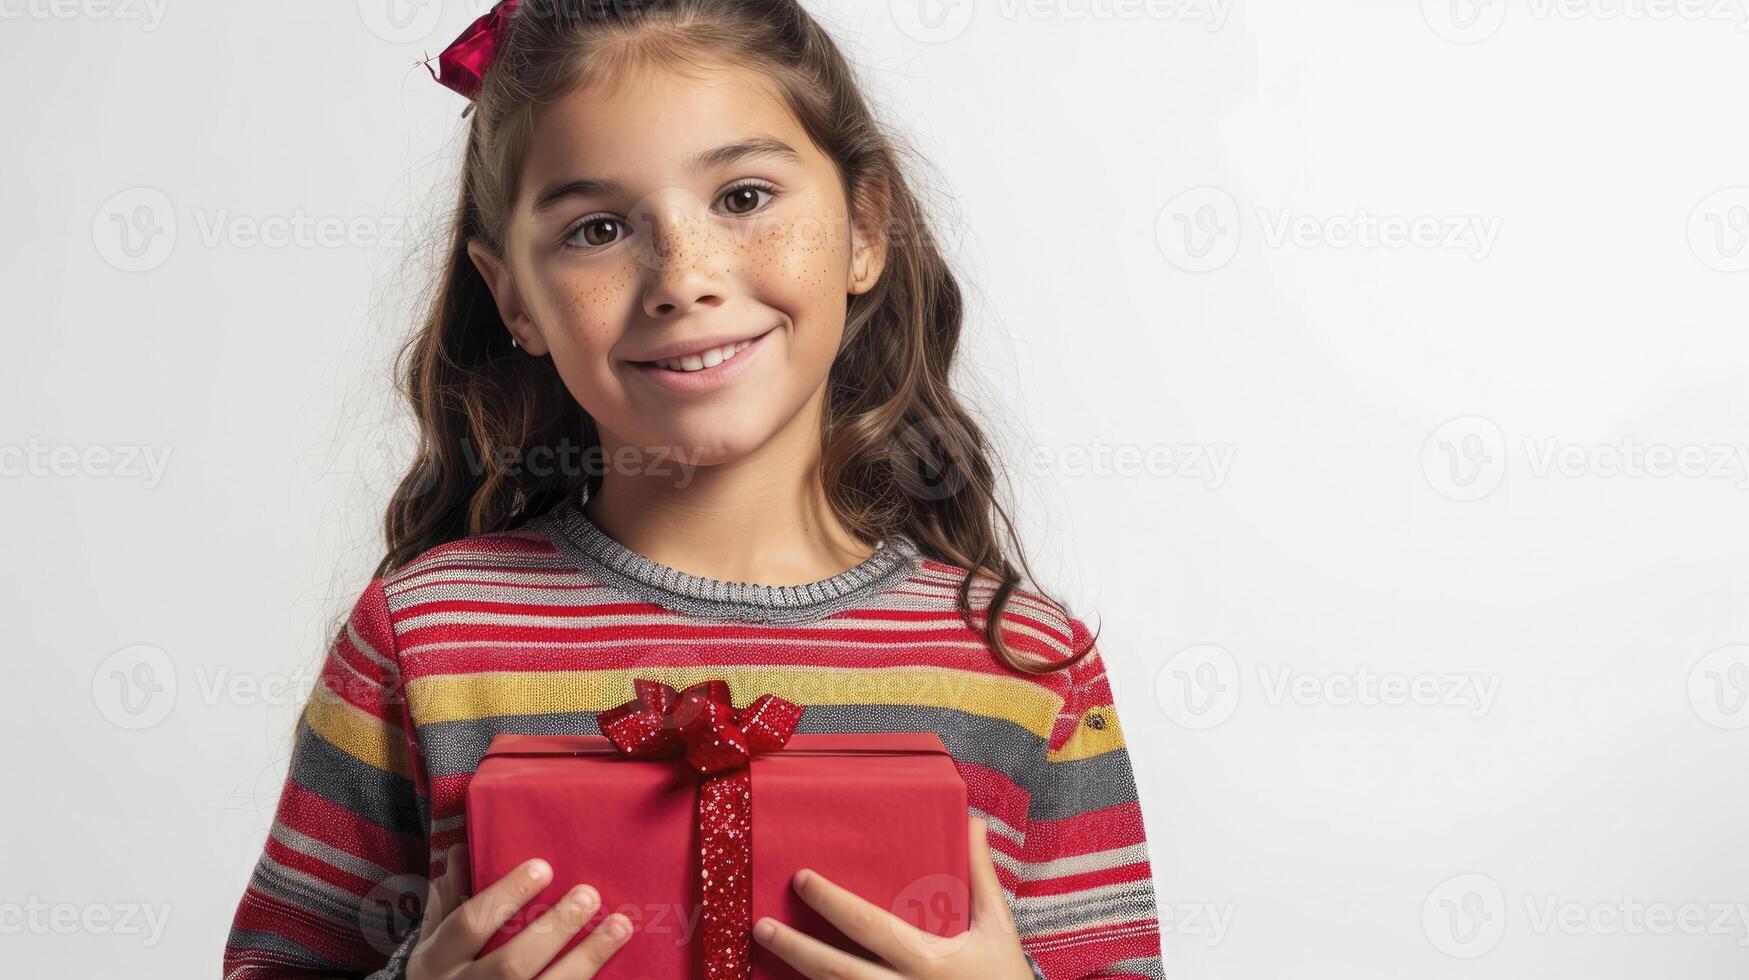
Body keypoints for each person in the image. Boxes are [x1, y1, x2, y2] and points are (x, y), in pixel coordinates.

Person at [222, 2, 1164, 977]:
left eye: (745, 197)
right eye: (596, 228)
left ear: (864, 229)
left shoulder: (1029, 664)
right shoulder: (419, 637)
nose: (685, 275)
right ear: (514, 299)